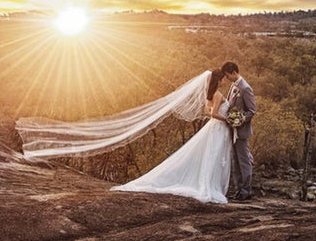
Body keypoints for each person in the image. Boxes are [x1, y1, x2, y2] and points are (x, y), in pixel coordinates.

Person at [15, 68, 235, 204]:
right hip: (217, 128)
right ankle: (207, 187)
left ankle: (207, 184)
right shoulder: (216, 94)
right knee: (211, 158)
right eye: (222, 80)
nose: (224, 82)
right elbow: (214, 113)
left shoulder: (210, 94)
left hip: (214, 129)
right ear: (217, 81)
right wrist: (229, 120)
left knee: (208, 158)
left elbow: (207, 112)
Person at [221, 61, 257, 201]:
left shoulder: (245, 88)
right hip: (233, 130)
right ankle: (238, 190)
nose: (227, 78)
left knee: (244, 161)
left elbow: (252, 111)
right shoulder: (233, 86)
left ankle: (246, 191)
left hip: (241, 131)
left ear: (234, 72)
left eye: (227, 75)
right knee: (236, 161)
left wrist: (238, 120)